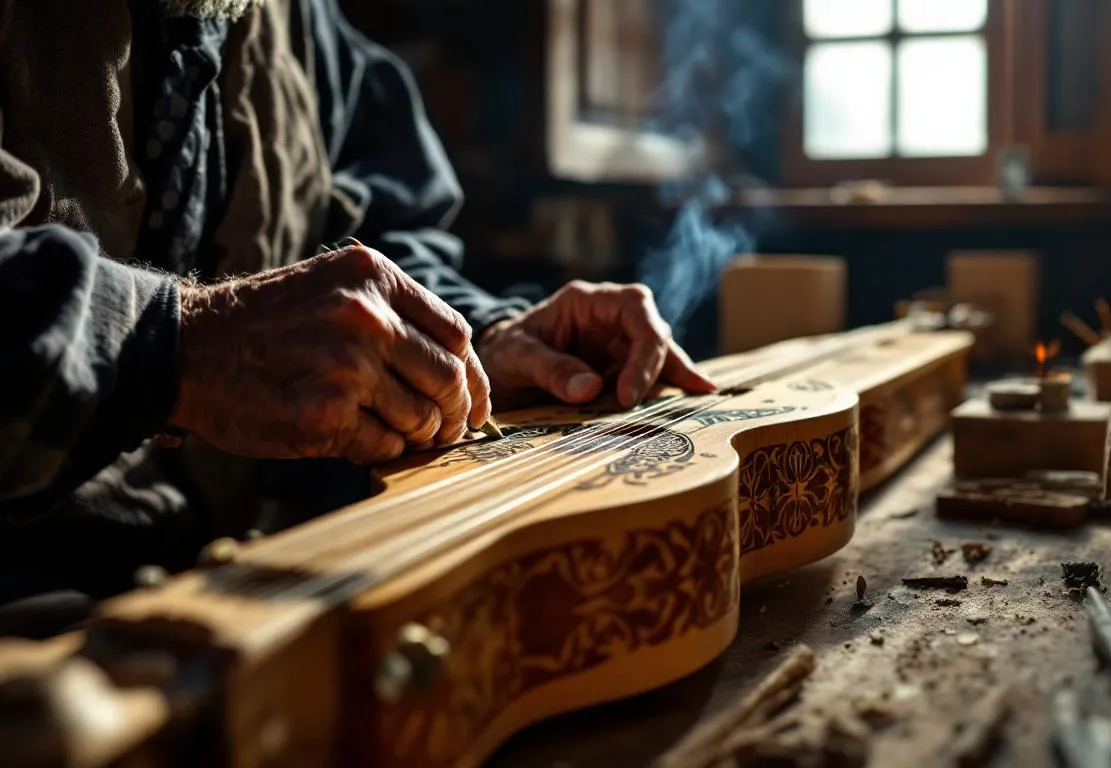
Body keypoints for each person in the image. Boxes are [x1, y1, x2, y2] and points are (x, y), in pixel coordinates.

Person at [0, 0, 714, 635]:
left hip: (227, 583)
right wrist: (172, 345)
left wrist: (471, 338)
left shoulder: (295, 22)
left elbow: (385, 227)